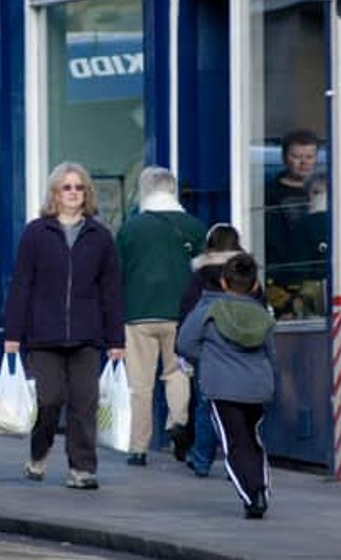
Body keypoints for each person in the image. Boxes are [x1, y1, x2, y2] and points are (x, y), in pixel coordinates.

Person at [4, 161, 125, 490]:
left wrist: (116, 339)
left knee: (85, 402)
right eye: (66, 187)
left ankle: (82, 468)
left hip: (87, 335)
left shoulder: (100, 236)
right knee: (47, 401)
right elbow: (21, 286)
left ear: (87, 194)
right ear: (54, 195)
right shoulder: (36, 233)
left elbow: (111, 291)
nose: (73, 193)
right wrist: (12, 334)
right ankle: (39, 452)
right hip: (44, 334)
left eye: (79, 187)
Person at [177, 253, 277, 519]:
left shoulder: (207, 310)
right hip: (257, 387)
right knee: (253, 438)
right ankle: (262, 489)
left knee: (234, 442)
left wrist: (208, 361)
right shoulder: (261, 314)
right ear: (254, 285)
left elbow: (185, 343)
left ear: (223, 281)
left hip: (222, 387)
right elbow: (271, 353)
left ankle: (251, 495)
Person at [116, 166, 205, 466]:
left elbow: (117, 273)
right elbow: (203, 272)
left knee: (140, 385)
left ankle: (137, 448)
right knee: (177, 374)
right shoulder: (194, 226)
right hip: (181, 314)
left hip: (138, 313)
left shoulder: (130, 228)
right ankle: (176, 423)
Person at [177, 223, 266, 477]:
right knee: (244, 412)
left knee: (206, 406)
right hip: (244, 350)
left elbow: (188, 310)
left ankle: (201, 459)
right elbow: (260, 307)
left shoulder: (199, 273)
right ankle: (236, 463)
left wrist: (188, 352)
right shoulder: (246, 271)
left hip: (210, 349)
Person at [263, 129, 320, 309]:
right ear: (284, 157)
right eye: (296, 156)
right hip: (281, 274)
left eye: (309, 157)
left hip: (317, 271)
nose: (303, 163)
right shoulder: (268, 194)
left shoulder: (327, 189)